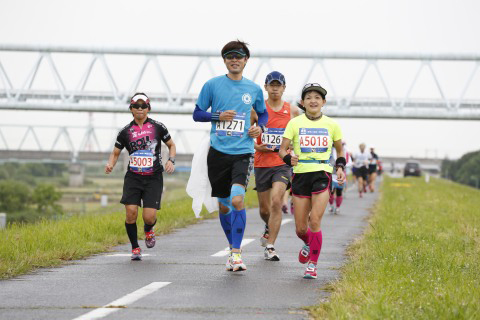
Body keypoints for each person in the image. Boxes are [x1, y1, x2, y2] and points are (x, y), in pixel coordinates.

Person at [192, 40, 268, 272]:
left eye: (239, 56)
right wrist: (217, 116)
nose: (234, 60)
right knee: (224, 206)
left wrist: (260, 129)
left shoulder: (253, 89)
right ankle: (231, 247)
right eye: (230, 56)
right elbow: (197, 114)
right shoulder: (212, 85)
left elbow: (263, 115)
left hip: (243, 153)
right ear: (224, 60)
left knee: (237, 199)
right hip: (218, 152)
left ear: (246, 60)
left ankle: (236, 253)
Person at [278, 83, 345, 279]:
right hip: (300, 175)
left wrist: (340, 167)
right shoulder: (294, 123)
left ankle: (312, 265)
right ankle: (308, 243)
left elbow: (340, 150)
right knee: (301, 228)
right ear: (302, 102)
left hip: (322, 173)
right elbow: (283, 150)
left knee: (315, 220)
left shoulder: (332, 124)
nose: (313, 100)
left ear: (323, 102)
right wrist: (287, 159)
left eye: (317, 97)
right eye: (308, 97)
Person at [105, 92, 176, 261]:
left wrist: (171, 160)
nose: (140, 109)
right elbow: (115, 153)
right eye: (136, 106)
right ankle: (135, 247)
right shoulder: (125, 131)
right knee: (130, 213)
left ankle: (148, 229)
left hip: (154, 177)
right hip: (133, 177)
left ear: (148, 108)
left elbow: (171, 145)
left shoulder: (158, 127)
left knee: (149, 216)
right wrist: (110, 164)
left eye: (143, 106)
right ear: (131, 109)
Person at [253, 71, 299, 261]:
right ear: (265, 87)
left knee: (276, 203)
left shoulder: (293, 111)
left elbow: (298, 135)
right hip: (262, 163)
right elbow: (248, 139)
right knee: (264, 210)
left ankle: (270, 246)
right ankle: (268, 226)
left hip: (282, 163)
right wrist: (258, 147)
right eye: (271, 85)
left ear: (283, 88)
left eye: (278, 85)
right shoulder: (256, 110)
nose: (275, 88)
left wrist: (295, 153)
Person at [328, 141, 348, 214]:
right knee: (331, 191)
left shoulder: (344, 151)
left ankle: (338, 207)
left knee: (339, 191)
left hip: (340, 173)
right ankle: (331, 205)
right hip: (331, 173)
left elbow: (347, 161)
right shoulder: (329, 150)